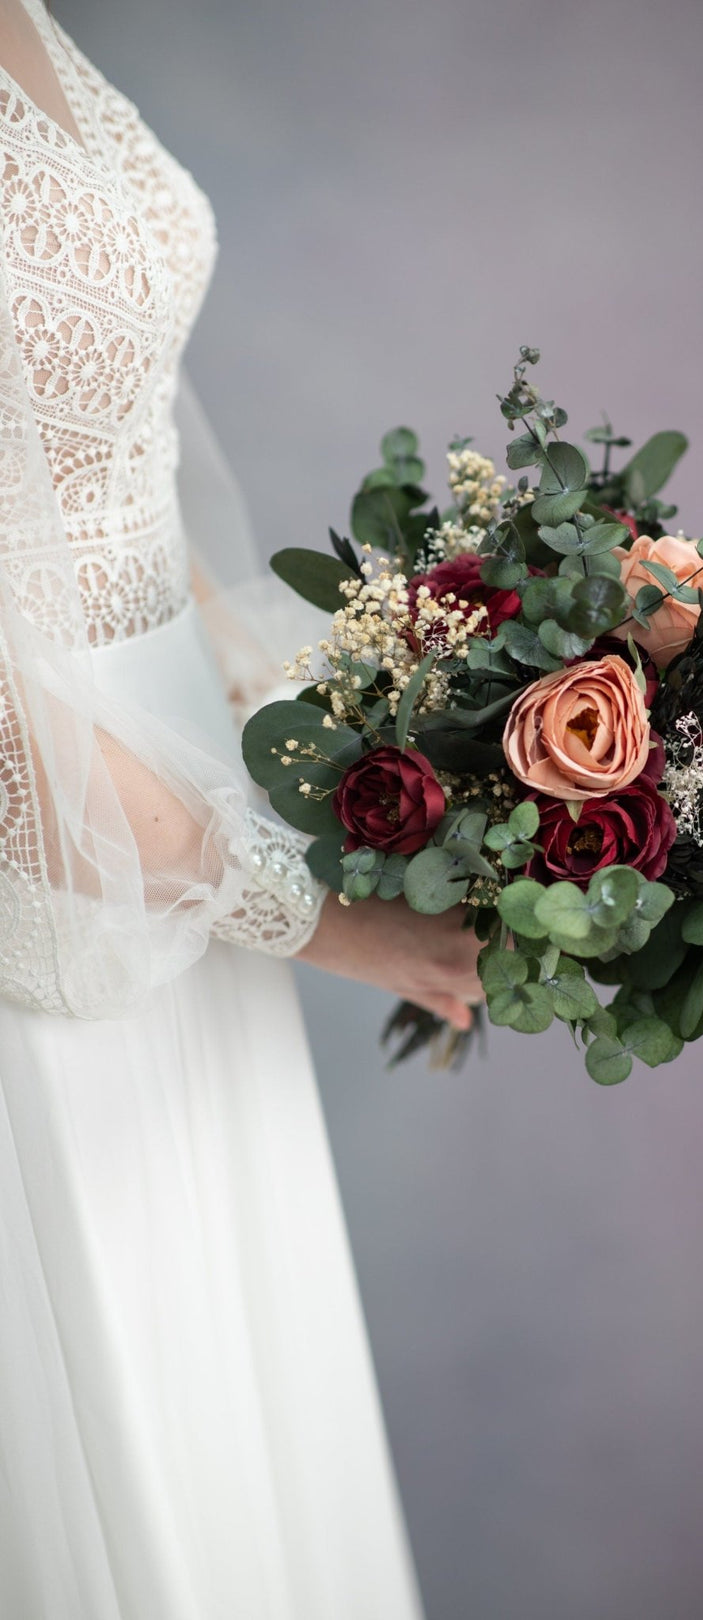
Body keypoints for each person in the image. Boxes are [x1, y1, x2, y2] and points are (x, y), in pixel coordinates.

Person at [0, 1, 479, 1612]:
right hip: (53, 883)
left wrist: (367, 761)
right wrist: (315, 914)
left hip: (182, 834)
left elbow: (104, 474)